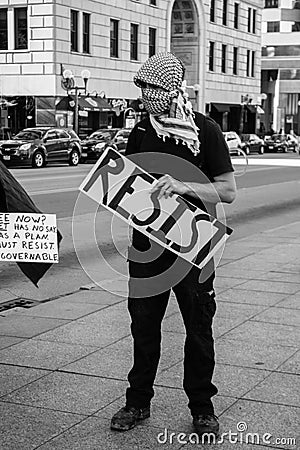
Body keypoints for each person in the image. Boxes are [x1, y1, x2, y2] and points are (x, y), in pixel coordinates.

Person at [110, 53, 236, 437]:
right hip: (147, 247)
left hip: (194, 249)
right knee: (143, 326)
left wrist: (184, 186)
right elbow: (127, 184)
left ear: (171, 89)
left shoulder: (205, 130)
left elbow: (228, 192)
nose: (146, 96)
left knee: (198, 328)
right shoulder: (140, 131)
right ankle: (137, 402)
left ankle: (202, 408)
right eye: (142, 88)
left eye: (153, 88)